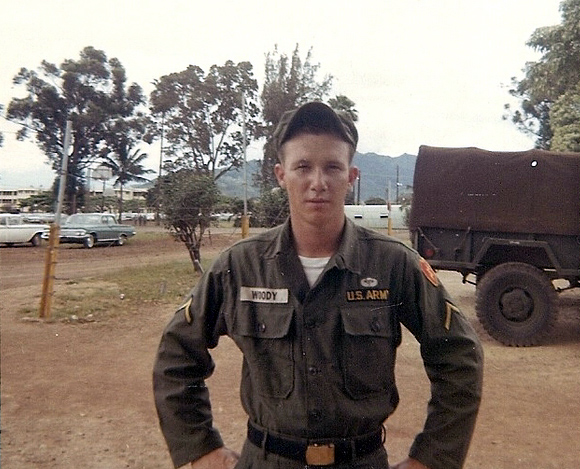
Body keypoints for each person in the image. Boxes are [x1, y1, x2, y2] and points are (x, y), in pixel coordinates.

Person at [153, 102, 484, 469]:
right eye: (302, 167)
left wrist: (432, 458)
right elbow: (177, 353)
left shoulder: (393, 264)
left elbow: (458, 356)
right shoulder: (240, 266)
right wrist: (198, 449)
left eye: (332, 167)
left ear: (351, 175)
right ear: (281, 175)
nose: (318, 183)